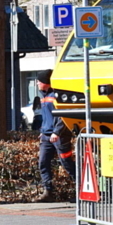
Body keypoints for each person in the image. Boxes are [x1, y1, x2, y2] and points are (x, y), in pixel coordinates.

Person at [35, 69, 76, 202]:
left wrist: (57, 132)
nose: (37, 83)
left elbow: (63, 116)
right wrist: (43, 131)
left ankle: (81, 190)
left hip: (60, 136)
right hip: (46, 136)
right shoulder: (43, 96)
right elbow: (46, 117)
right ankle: (48, 192)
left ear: (46, 82)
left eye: (39, 81)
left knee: (67, 163)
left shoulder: (57, 96)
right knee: (43, 162)